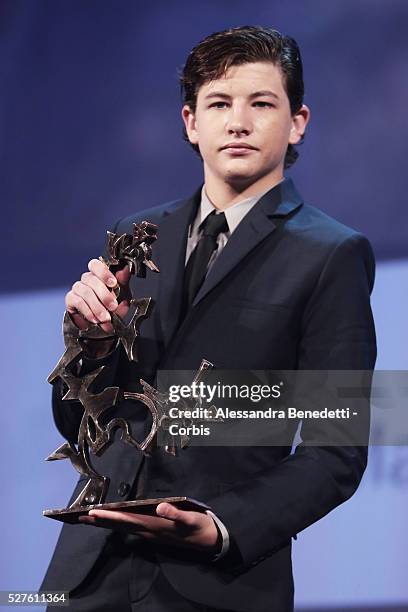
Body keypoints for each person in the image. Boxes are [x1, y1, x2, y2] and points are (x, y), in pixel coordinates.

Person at [41, 25, 377, 612]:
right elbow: (80, 428)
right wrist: (91, 350)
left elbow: (335, 449)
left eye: (261, 103)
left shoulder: (331, 254)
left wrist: (224, 526)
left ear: (298, 121)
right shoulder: (134, 236)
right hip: (88, 573)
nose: (238, 121)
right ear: (191, 123)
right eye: (218, 103)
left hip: (217, 583)